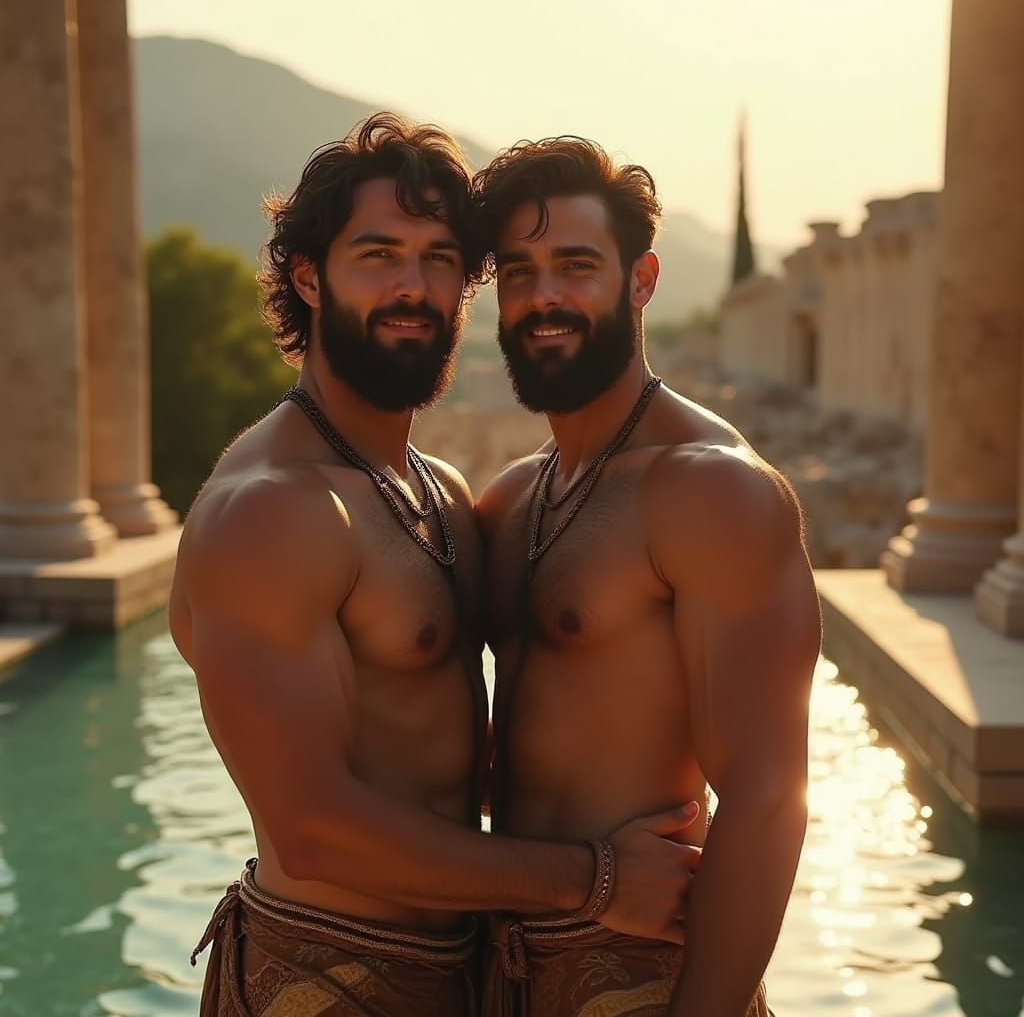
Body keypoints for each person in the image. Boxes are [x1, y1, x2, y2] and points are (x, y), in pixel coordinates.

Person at [170, 115, 701, 1017]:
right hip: (326, 979)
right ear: (309, 276)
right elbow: (312, 830)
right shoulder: (269, 510)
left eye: (440, 258)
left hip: (476, 971)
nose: (413, 287)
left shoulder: (443, 494)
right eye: (378, 254)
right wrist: (596, 879)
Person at [474, 137, 822, 1017]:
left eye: (576, 265)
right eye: (518, 273)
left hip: (647, 975)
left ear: (642, 279)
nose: (543, 297)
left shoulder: (709, 489)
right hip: (501, 969)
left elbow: (768, 797)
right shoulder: (509, 502)